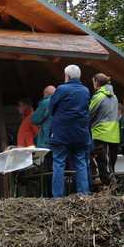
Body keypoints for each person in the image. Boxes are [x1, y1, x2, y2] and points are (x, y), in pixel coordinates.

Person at [49, 65, 91, 197]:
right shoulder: (85, 91)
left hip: (62, 133)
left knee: (59, 163)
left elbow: (51, 108)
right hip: (80, 133)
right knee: (81, 162)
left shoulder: (62, 89)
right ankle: (83, 194)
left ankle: (58, 197)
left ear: (67, 76)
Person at [89, 74, 120, 188]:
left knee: (103, 165)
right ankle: (111, 189)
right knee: (110, 164)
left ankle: (109, 189)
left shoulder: (99, 96)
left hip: (101, 133)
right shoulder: (115, 97)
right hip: (114, 134)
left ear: (96, 82)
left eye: (93, 81)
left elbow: (89, 113)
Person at [32, 85, 55, 149]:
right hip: (61, 139)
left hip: (46, 141)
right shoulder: (63, 102)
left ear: (45, 94)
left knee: (46, 158)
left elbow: (35, 119)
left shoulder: (45, 103)